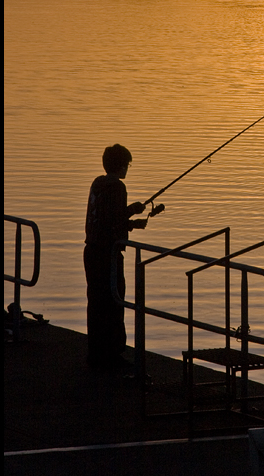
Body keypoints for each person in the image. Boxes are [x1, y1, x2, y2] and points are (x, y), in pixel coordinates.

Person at [83, 143, 163, 370]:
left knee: (96, 304)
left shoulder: (98, 183)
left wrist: (132, 223)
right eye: (127, 164)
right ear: (120, 165)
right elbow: (113, 220)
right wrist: (131, 211)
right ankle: (114, 354)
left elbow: (106, 219)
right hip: (108, 254)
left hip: (91, 251)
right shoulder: (117, 187)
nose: (128, 168)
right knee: (115, 301)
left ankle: (96, 353)